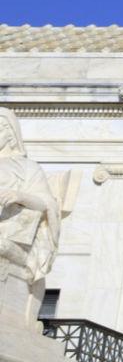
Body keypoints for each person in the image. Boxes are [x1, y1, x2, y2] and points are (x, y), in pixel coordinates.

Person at [0, 109, 60, 303]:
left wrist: (20, 196)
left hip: (12, 238)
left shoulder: (28, 168)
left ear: (10, 134)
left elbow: (46, 203)